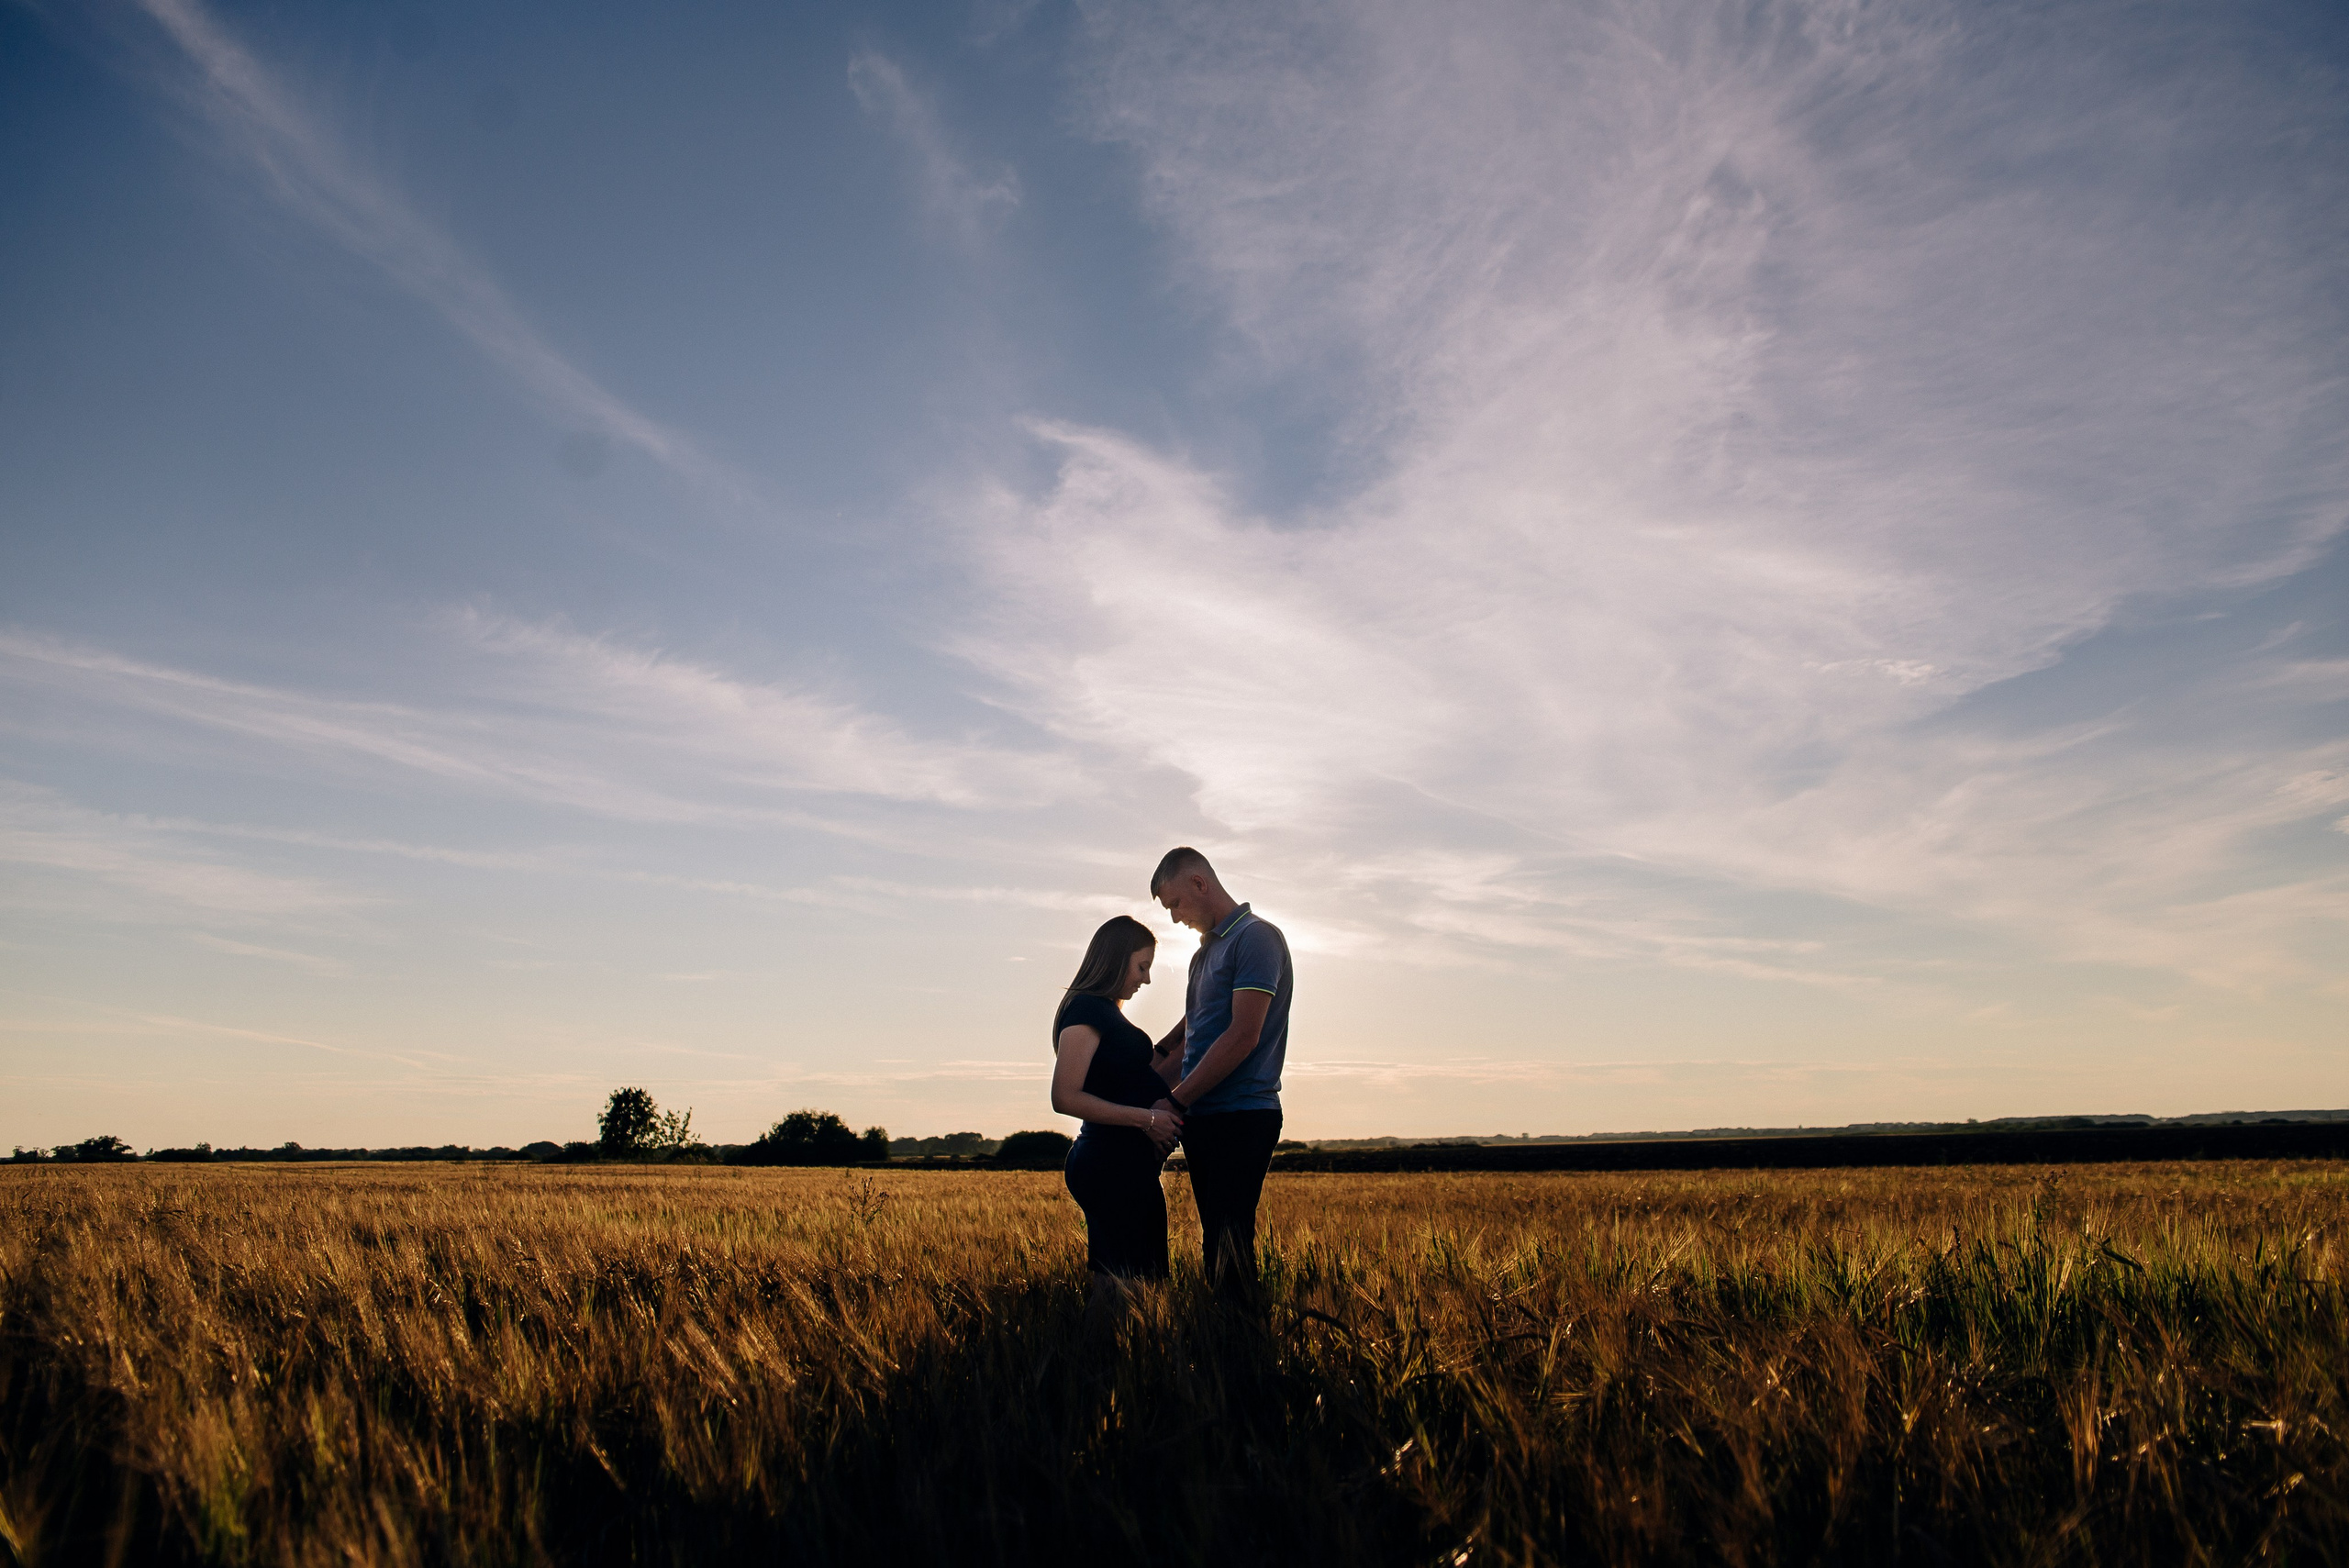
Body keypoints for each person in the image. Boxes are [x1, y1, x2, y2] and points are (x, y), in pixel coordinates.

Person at [1149, 848, 1292, 1297]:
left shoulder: (1257, 938)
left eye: (1174, 904)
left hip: (1243, 1114)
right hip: (1202, 1117)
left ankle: (1244, 1355)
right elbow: (1191, 1038)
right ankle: (1226, 1349)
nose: (1173, 918)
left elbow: (1242, 1035)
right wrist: (1135, 1095)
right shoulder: (1202, 956)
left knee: (1229, 1241)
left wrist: (1172, 1102)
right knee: (1217, 1243)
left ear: (1199, 883)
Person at [1050, 915, 1184, 1308]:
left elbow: (1146, 1072)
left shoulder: (1105, 1011)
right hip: (1110, 1165)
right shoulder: (1086, 1010)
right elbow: (1066, 1097)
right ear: (1116, 959)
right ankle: (1099, 1367)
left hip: (1126, 1168)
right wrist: (1149, 1120)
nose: (1145, 979)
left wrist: (1193, 1021)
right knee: (1119, 1293)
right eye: (1142, 967)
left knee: (1138, 1290)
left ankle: (1115, 1365)